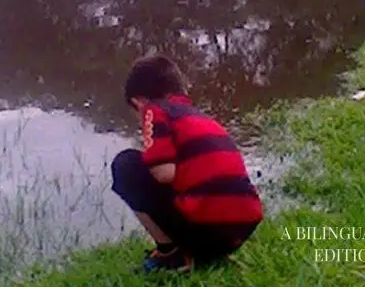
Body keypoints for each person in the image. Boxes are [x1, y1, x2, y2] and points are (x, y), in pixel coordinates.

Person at [111, 54, 263, 273]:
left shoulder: (153, 111)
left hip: (207, 230)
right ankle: (201, 252)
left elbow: (164, 174)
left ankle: (171, 254)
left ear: (138, 102)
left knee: (126, 165)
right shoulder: (202, 119)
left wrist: (148, 158)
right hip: (238, 232)